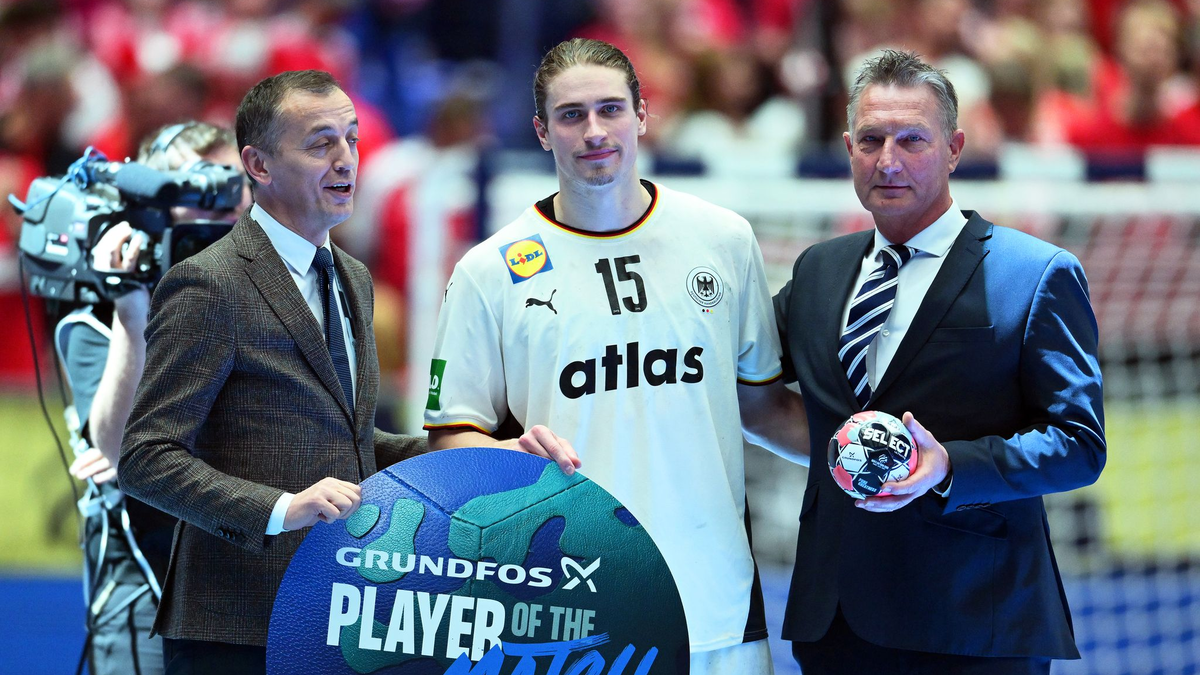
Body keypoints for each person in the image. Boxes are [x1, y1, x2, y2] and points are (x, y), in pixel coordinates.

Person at [424, 38, 806, 674]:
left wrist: (870, 457)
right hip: (569, 612)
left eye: (610, 109)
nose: (594, 131)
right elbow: (449, 436)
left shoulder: (723, 239)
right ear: (542, 132)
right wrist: (506, 457)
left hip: (717, 603)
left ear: (642, 116)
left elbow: (761, 408)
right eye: (571, 115)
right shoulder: (487, 272)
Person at [774, 49, 1106, 674]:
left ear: (954, 149)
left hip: (977, 621)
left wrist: (951, 465)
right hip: (836, 620)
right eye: (871, 140)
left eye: (912, 140)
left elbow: (1080, 446)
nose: (888, 160)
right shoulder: (819, 270)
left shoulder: (1034, 273)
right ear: (848, 148)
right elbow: (735, 365)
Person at [118, 70, 427, 674]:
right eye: (321, 144)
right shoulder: (208, 283)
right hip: (235, 631)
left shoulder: (354, 278)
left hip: (337, 616)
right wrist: (281, 509)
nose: (346, 160)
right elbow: (146, 457)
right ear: (258, 165)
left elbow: (346, 444)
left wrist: (474, 450)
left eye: (352, 139)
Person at [59, 120, 246, 675]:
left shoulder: (262, 305)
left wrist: (165, 452)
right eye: (201, 190)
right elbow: (119, 448)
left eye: (233, 188)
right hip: (143, 591)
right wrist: (130, 309)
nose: (224, 209)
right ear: (155, 208)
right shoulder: (97, 321)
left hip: (242, 589)